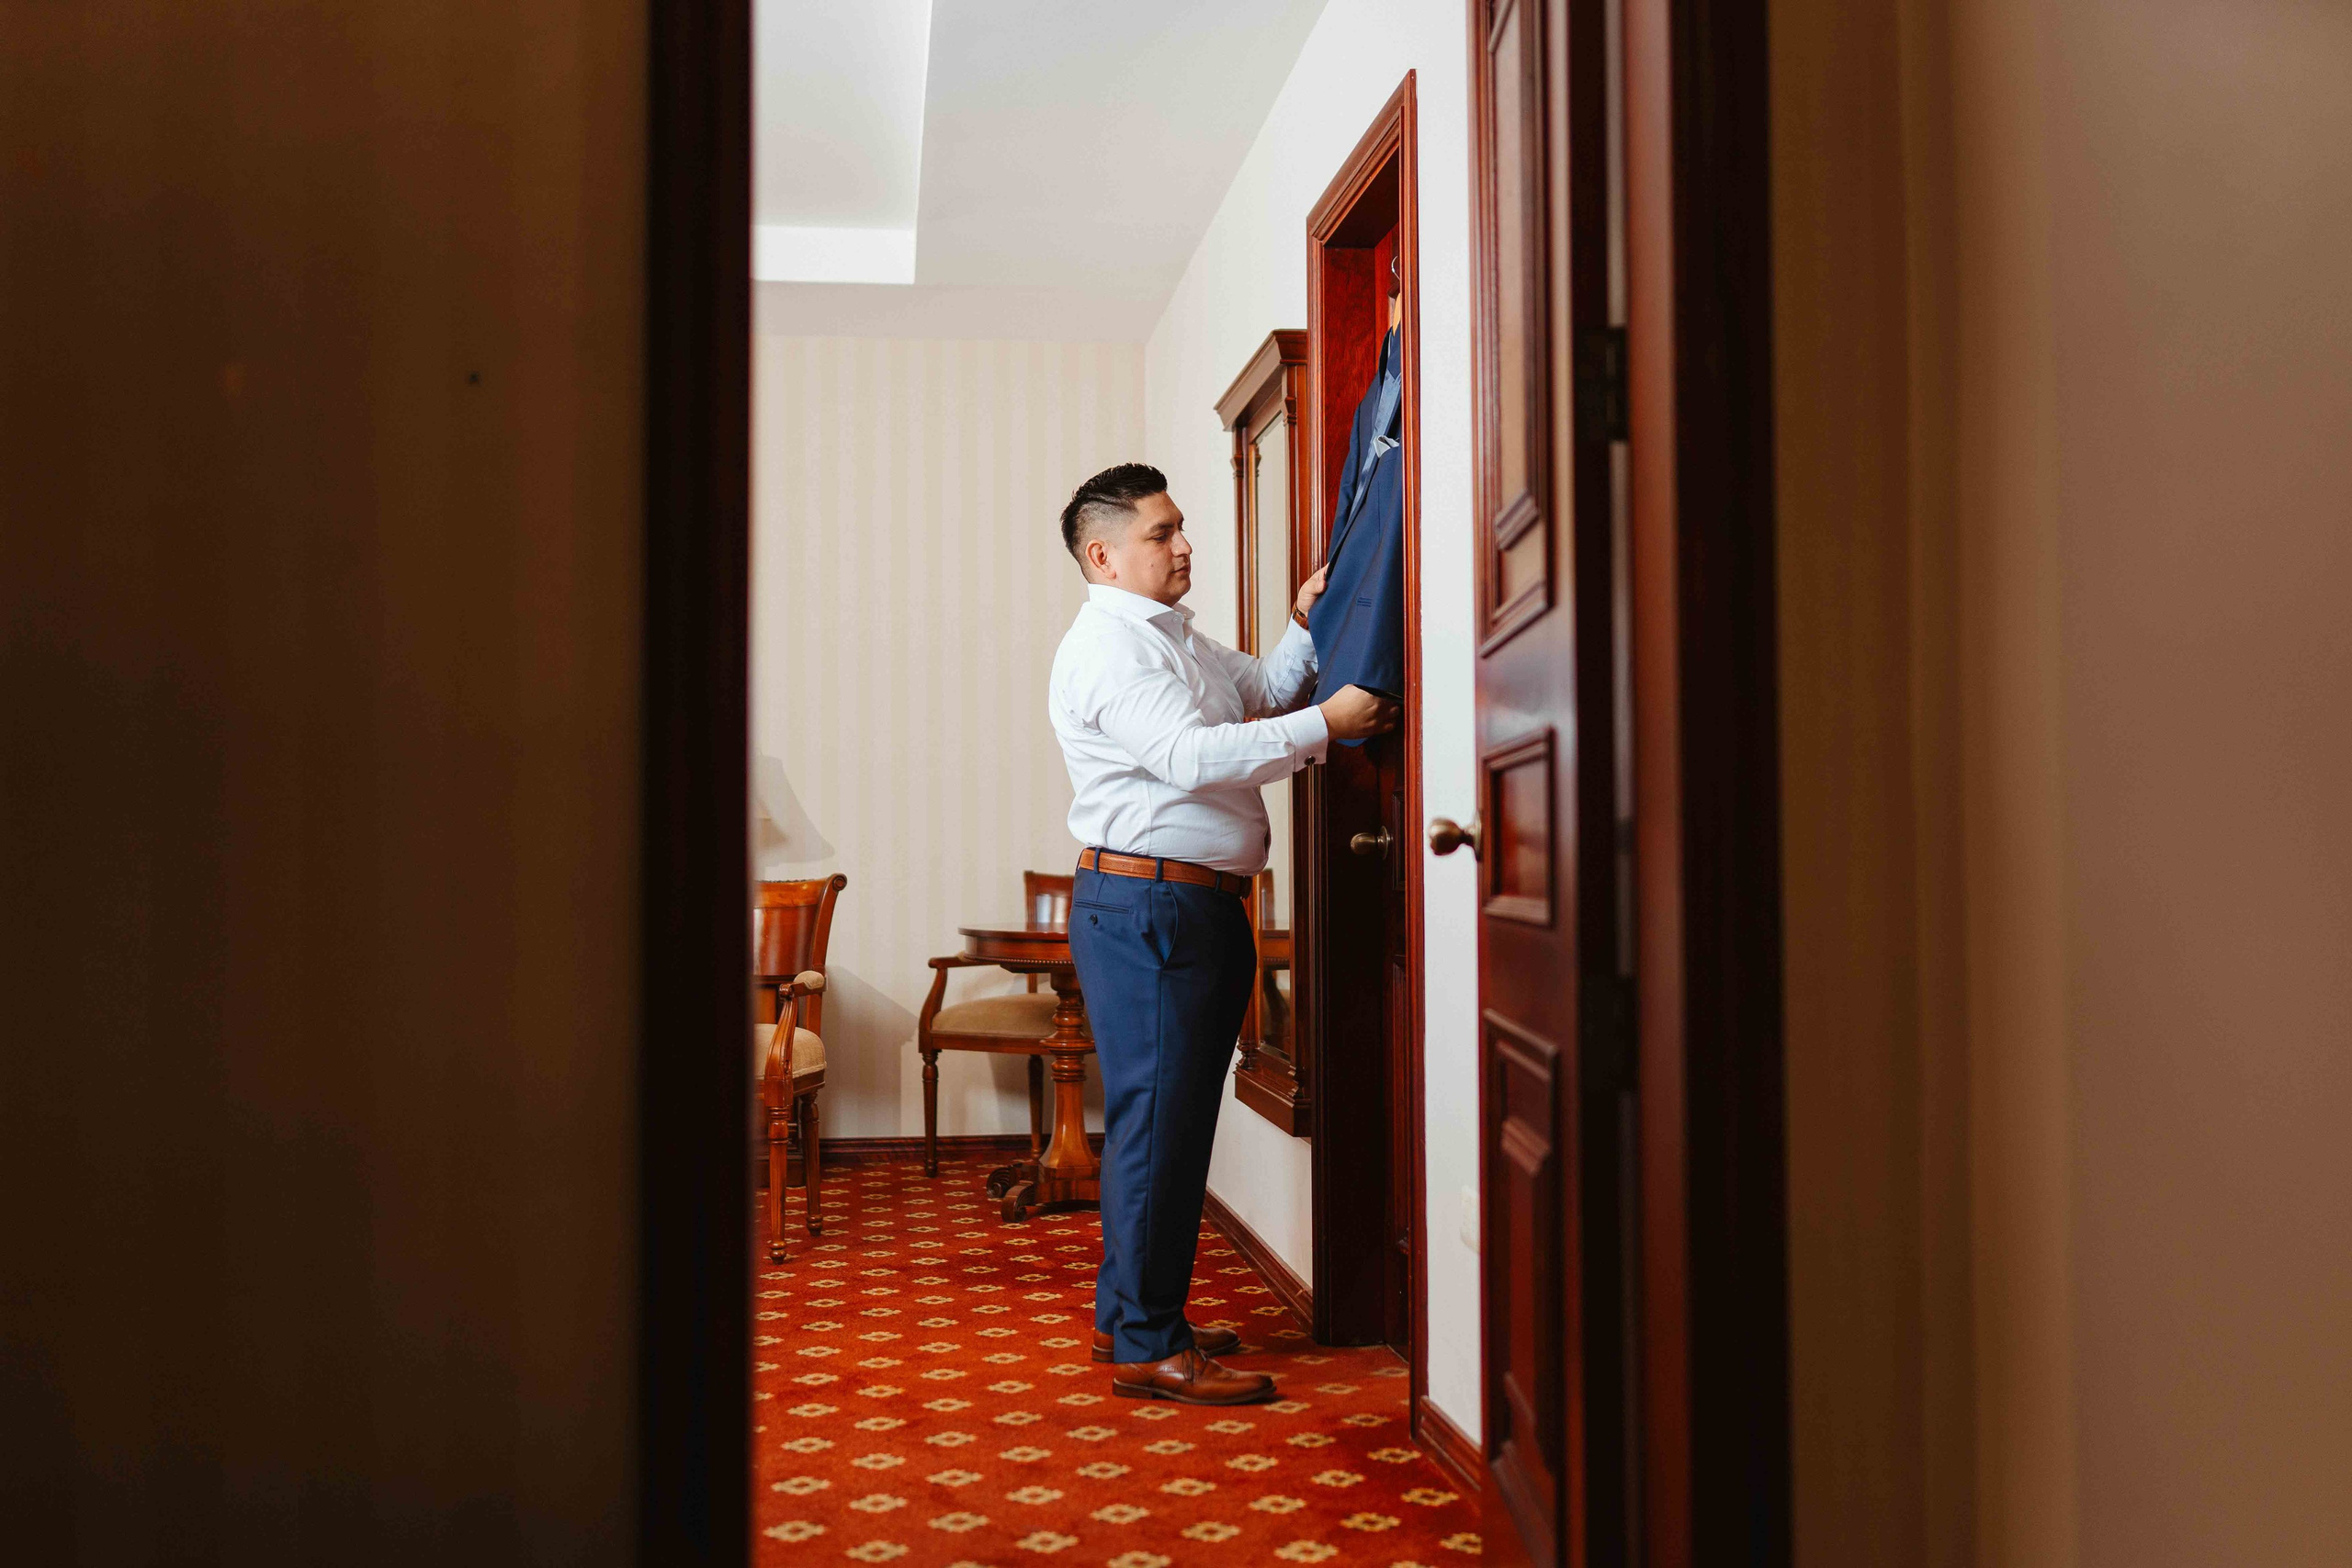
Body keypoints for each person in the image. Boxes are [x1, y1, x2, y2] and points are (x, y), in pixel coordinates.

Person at [1046, 462, 1399, 1405]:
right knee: (1157, 1130)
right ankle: (1146, 1344)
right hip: (1151, 910)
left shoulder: (1174, 638)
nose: (1183, 544)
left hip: (1182, 908)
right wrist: (1329, 725)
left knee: (1161, 1128)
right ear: (1103, 555)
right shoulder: (1109, 651)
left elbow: (1262, 691)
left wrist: (1303, 623)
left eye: (1179, 527)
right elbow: (1188, 758)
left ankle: (1134, 1317)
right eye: (1161, 533)